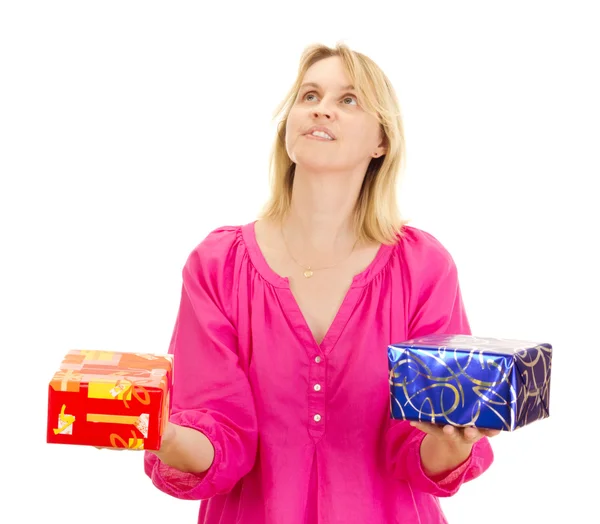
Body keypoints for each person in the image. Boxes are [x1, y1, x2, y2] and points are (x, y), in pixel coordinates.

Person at [143, 42, 498, 523]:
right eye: (309, 95)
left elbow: (419, 454)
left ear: (381, 141)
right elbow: (216, 438)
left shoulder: (423, 267)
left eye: (347, 100)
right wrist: (161, 434)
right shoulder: (216, 266)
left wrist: (450, 443)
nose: (321, 109)